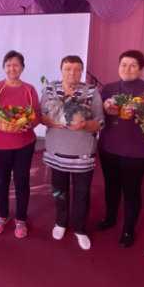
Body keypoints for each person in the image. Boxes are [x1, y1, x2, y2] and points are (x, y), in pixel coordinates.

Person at [41, 55, 103, 250]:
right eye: (68, 69)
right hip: (57, 150)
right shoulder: (51, 88)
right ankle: (61, 222)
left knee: (82, 193)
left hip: (82, 152)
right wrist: (55, 122)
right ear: (61, 70)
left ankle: (80, 228)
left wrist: (84, 125)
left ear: (82, 71)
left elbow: (99, 122)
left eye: (77, 69)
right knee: (59, 190)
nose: (72, 73)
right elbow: (42, 116)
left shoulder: (91, 91)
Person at [97, 50, 144, 248]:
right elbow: (98, 116)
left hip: (138, 150)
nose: (127, 69)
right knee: (111, 186)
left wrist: (139, 111)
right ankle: (110, 217)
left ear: (141, 69)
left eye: (133, 65)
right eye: (123, 65)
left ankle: (129, 229)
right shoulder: (109, 88)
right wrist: (105, 109)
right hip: (109, 146)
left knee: (132, 190)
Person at [0, 50, 41, 239]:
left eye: (16, 65)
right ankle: (2, 215)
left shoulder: (29, 89)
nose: (12, 68)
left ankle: (21, 218)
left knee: (22, 181)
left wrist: (28, 124)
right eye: (8, 65)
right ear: (4, 67)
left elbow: (36, 115)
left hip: (24, 143)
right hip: (0, 144)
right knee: (1, 181)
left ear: (22, 68)